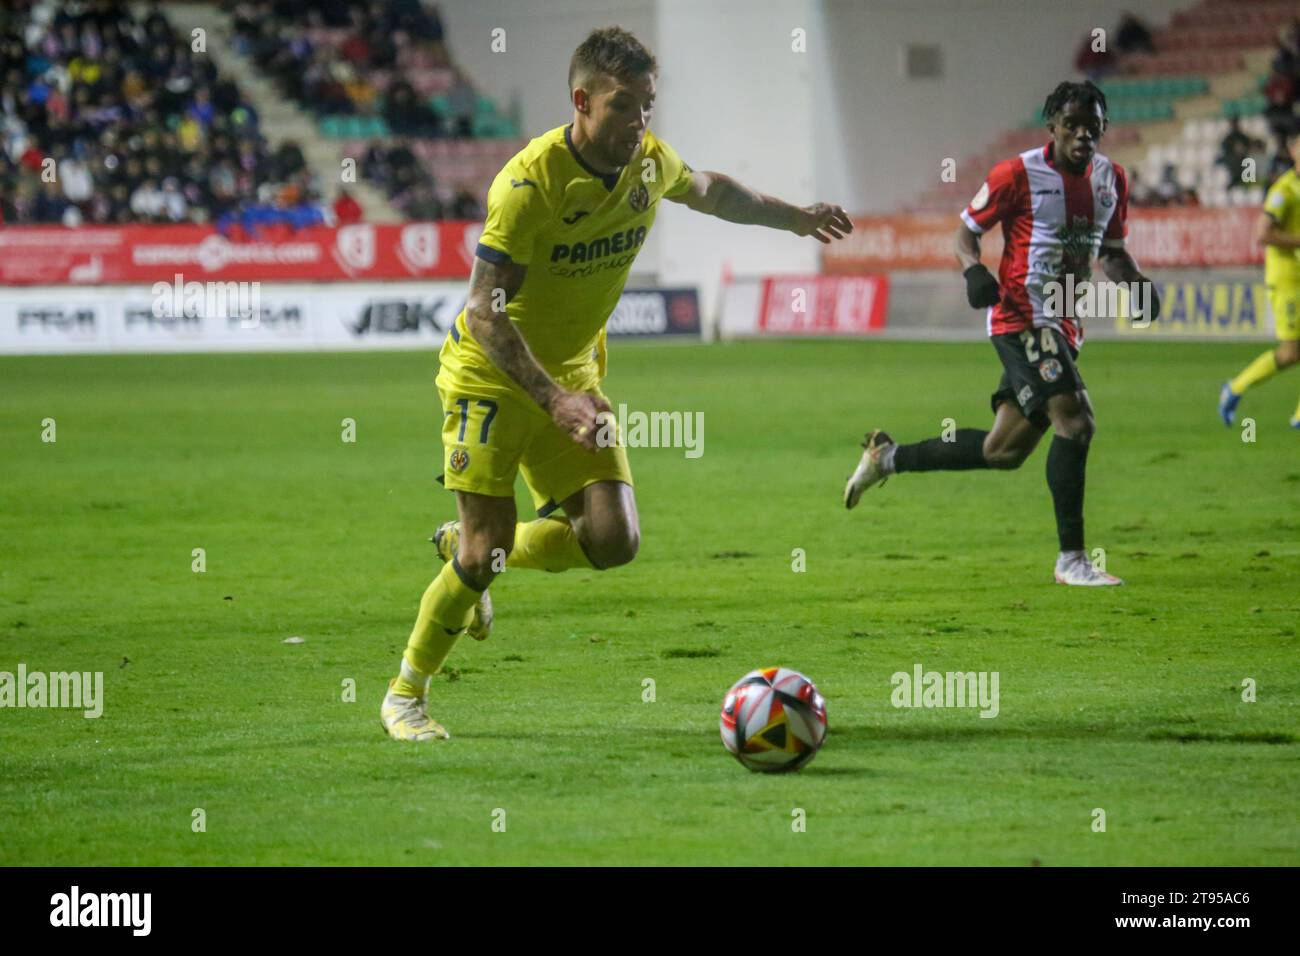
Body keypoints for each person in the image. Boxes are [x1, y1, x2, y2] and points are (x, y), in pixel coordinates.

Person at [380, 26, 853, 741]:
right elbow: (484, 310)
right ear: (582, 102)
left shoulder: (648, 163)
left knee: (612, 538)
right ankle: (405, 695)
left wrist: (794, 218)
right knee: (485, 552)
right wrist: (554, 400)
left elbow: (713, 191)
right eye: (624, 106)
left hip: (572, 376)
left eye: (647, 105)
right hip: (491, 378)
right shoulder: (528, 185)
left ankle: (464, 549)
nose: (639, 121)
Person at [843, 81, 1160, 587]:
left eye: (1093, 126)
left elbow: (1112, 251)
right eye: (1072, 125)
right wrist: (973, 270)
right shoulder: (1016, 174)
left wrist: (1136, 284)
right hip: (1022, 317)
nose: (1083, 135)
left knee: (1003, 452)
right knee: (1076, 422)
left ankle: (888, 457)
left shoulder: (1111, 178)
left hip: (1065, 322)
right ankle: (1072, 561)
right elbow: (965, 233)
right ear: (1052, 126)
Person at [1218, 128, 1300, 429]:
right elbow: (1263, 234)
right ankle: (1235, 387)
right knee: (1291, 352)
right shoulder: (1284, 191)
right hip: (1288, 280)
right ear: (1294, 152)